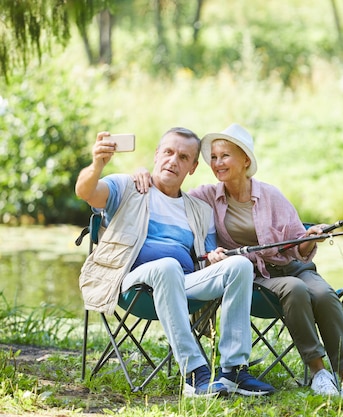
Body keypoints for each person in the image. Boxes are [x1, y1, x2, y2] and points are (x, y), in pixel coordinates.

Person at [75, 127, 275, 398]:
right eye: (168, 152)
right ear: (157, 154)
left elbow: (205, 260)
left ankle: (233, 371)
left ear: (192, 167)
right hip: (130, 282)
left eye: (183, 157)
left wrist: (215, 258)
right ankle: (195, 373)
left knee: (239, 265)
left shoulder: (199, 210)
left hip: (182, 283)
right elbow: (86, 191)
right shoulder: (127, 187)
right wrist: (97, 163)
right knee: (167, 265)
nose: (173, 160)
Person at [182, 123, 343, 399]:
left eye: (225, 156)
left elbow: (297, 245)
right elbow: (170, 194)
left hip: (292, 267)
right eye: (214, 157)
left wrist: (312, 236)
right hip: (256, 277)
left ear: (245, 160)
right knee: (295, 289)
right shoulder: (206, 196)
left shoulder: (271, 195)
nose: (217, 163)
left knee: (324, 294)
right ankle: (319, 373)